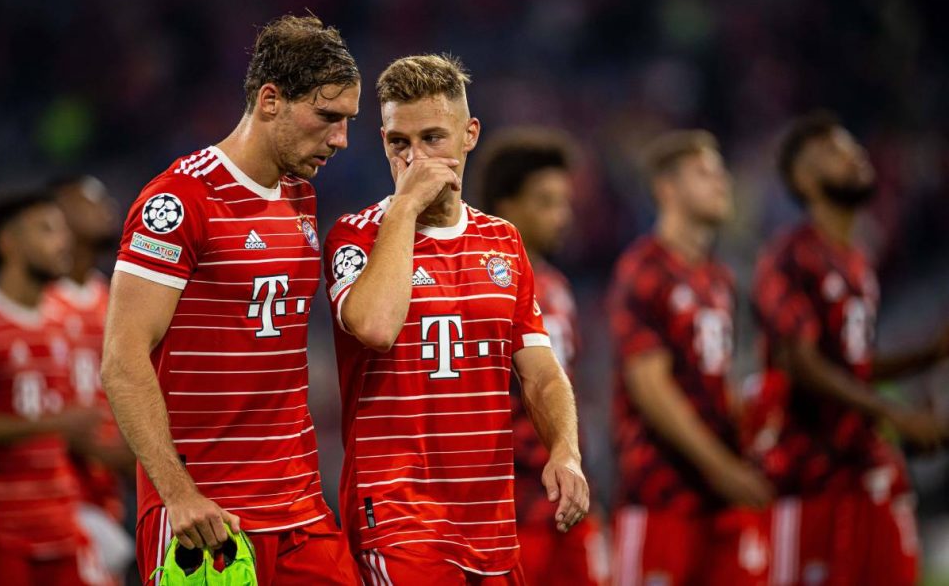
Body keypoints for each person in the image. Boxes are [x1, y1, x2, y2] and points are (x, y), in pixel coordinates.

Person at [100, 14, 362, 585]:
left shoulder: (302, 198)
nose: (341, 139)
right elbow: (122, 360)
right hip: (206, 514)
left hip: (301, 510)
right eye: (327, 118)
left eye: (347, 122)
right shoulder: (176, 202)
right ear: (270, 100)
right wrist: (178, 494)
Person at [323, 54, 589, 584]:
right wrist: (404, 208)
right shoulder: (354, 235)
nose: (415, 158)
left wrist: (566, 451)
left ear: (470, 134)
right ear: (381, 141)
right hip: (400, 518)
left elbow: (538, 370)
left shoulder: (504, 242)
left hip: (491, 518)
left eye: (432, 138)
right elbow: (374, 326)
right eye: (399, 143)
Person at [750, 110, 949, 586]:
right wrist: (894, 414)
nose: (855, 156)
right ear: (804, 178)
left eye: (852, 147)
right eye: (835, 151)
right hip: (810, 479)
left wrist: (929, 354)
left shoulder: (859, 262)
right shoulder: (789, 256)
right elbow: (802, 363)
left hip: (864, 469)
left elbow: (851, 367)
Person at [607, 131, 773, 586]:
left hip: (718, 499)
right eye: (704, 173)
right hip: (662, 496)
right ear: (667, 188)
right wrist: (722, 468)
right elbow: (650, 386)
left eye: (721, 173)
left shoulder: (720, 278)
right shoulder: (643, 268)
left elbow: (717, 381)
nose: (721, 183)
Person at [476, 127, 609, 586]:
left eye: (565, 202)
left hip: (564, 499)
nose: (564, 216)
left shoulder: (559, 288)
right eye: (547, 202)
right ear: (508, 206)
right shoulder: (476, 290)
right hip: (506, 509)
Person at [0, 191, 110, 585]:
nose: (61, 241)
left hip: (63, 519)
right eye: (46, 229)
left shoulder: (65, 320)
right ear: (8, 242)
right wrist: (55, 423)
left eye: (61, 230)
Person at [47, 175, 136, 581]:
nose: (104, 203)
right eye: (86, 197)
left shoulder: (116, 302)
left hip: (104, 503)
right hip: (41, 502)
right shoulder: (33, 304)